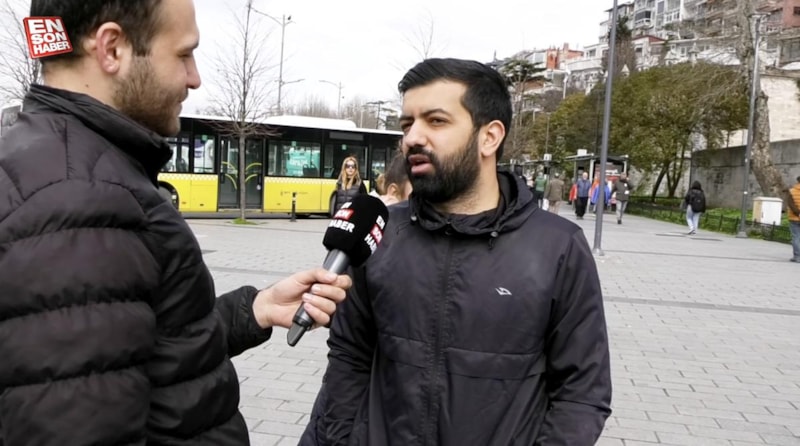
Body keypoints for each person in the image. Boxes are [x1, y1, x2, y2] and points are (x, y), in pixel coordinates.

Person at [0, 1, 352, 445]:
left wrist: (254, 310)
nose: (194, 77)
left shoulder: (60, 164)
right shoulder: (83, 201)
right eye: (184, 54)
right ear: (112, 48)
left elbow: (129, 352)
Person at [301, 58, 611, 445]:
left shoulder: (558, 247)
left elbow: (582, 393)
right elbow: (348, 359)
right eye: (407, 124)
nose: (412, 138)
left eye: (436, 121)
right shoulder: (380, 233)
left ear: (489, 137)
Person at [785, 176, 800, 262]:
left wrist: (798, 213)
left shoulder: (792, 191)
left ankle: (797, 256)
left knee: (796, 237)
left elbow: (791, 204)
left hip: (794, 218)